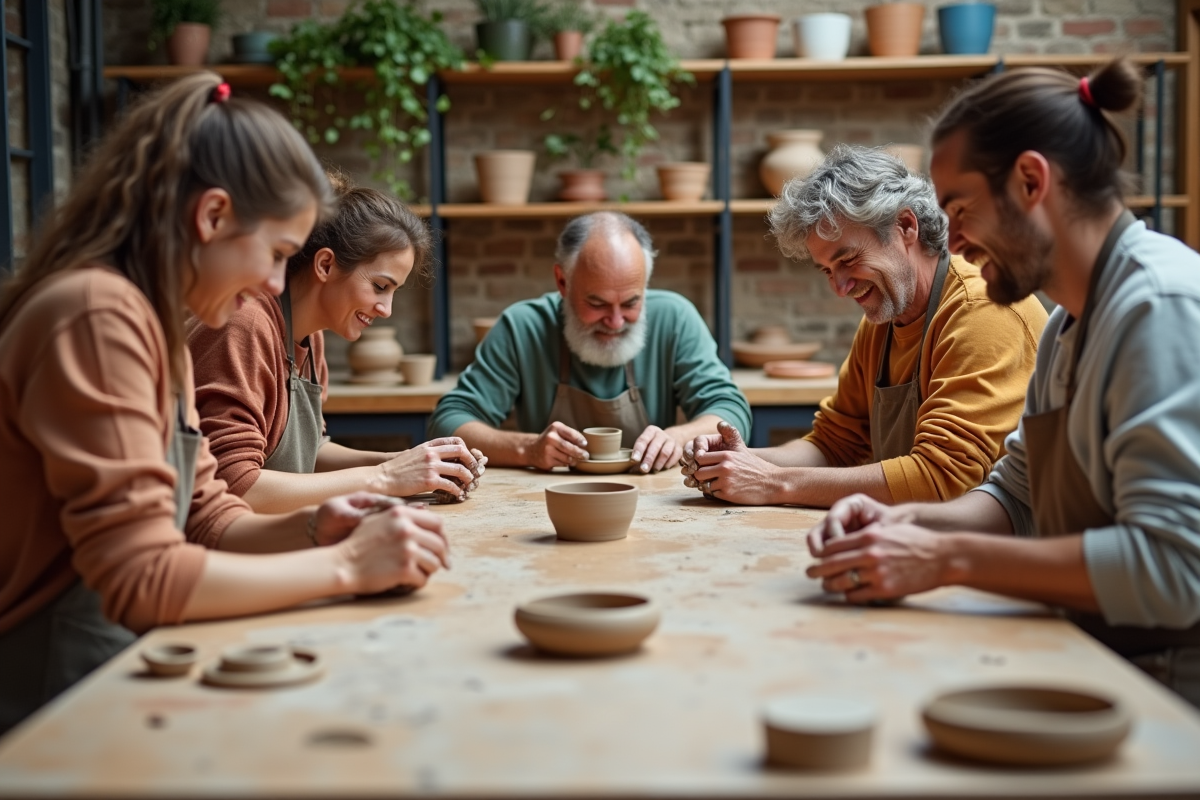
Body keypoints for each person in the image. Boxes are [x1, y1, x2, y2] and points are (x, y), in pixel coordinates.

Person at [0, 74, 450, 734]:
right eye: (275, 254)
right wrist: (348, 564)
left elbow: (208, 517)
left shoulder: (159, 328)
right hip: (42, 693)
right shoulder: (97, 315)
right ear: (211, 217)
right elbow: (143, 575)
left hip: (115, 658)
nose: (274, 284)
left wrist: (316, 526)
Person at [806, 59, 1200, 706]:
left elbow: (1174, 570)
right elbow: (1015, 497)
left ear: (1030, 181)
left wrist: (946, 559)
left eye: (958, 209)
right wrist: (902, 524)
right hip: (1094, 657)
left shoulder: (1159, 306)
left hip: (1167, 695)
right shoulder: (1067, 325)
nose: (952, 241)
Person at [682, 145, 1047, 508]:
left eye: (849, 259)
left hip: (1018, 551)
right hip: (935, 539)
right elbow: (834, 444)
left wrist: (773, 483)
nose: (839, 288)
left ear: (905, 226)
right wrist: (741, 460)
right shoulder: (885, 318)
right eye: (827, 270)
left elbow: (941, 478)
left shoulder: (983, 309)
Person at [187, 175, 486, 514]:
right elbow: (235, 485)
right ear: (326, 264)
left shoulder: (310, 336)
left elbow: (309, 452)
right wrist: (386, 476)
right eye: (379, 286)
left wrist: (407, 462)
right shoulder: (244, 324)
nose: (386, 310)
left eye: (393, 292)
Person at [429, 211, 752, 472]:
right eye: (596, 304)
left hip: (656, 502)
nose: (614, 322)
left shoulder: (675, 318)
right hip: (543, 503)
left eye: (630, 303)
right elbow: (448, 422)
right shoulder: (522, 326)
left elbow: (731, 412)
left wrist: (678, 437)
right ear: (562, 282)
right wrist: (527, 449)